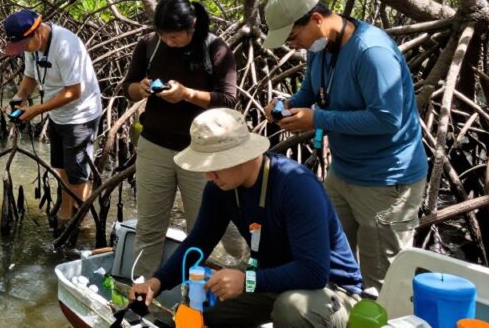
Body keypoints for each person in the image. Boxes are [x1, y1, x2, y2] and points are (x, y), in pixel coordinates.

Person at [129, 108, 363, 328]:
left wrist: (248, 280)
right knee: (207, 317)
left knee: (292, 308)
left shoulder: (296, 186)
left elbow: (313, 271)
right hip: (275, 282)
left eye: (215, 167)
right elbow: (198, 242)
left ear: (240, 157)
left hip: (331, 291)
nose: (209, 176)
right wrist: (156, 283)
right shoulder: (219, 187)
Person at [262, 0, 428, 291]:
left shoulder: (371, 52)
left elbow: (387, 118)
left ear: (316, 19)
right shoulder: (320, 49)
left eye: (293, 37)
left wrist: (318, 119)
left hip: (386, 182)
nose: (294, 46)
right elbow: (309, 95)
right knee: (326, 264)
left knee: (382, 282)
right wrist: (283, 106)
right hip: (343, 173)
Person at [120, 0, 246, 280]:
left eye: (175, 37)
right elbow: (126, 87)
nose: (169, 42)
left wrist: (186, 94)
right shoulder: (149, 45)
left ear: (192, 26)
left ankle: (204, 299)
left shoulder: (215, 48)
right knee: (149, 228)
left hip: (203, 154)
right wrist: (139, 89)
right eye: (164, 36)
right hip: (154, 146)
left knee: (205, 229)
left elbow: (228, 100)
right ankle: (140, 293)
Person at [3, 9, 103, 227]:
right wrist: (20, 98)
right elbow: (30, 76)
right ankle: (65, 216)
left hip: (81, 116)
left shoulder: (66, 45)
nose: (23, 50)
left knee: (79, 175)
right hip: (58, 115)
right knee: (62, 170)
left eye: (24, 45)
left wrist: (36, 110)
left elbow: (73, 92)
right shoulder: (32, 46)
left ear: (37, 31)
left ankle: (82, 226)